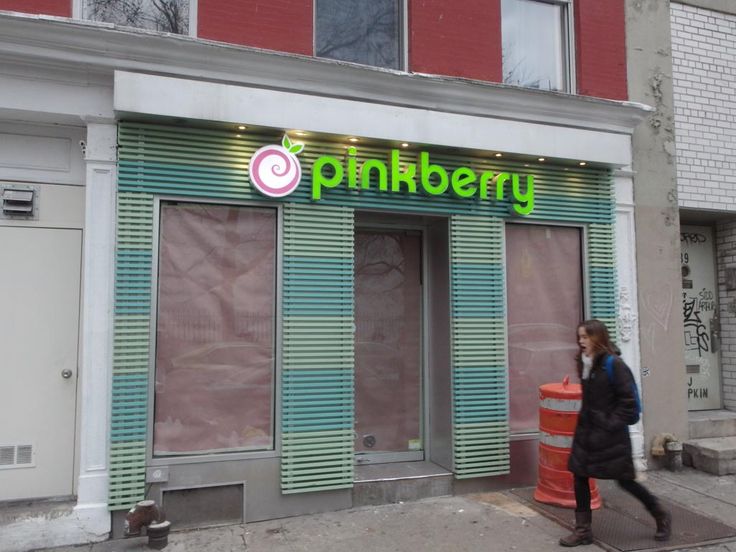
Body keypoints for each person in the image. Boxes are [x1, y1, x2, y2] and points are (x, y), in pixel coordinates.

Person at [559, 319, 671, 547]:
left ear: (598, 338)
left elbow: (628, 405)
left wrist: (608, 423)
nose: (581, 341)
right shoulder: (585, 363)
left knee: (625, 481)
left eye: (585, 337)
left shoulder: (614, 364)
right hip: (586, 434)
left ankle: (660, 514)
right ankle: (583, 531)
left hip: (610, 437)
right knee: (579, 477)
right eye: (579, 337)